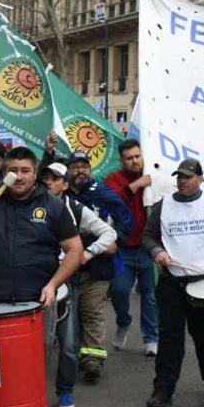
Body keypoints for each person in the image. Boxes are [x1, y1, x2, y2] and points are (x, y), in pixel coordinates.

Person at [0, 147, 83, 402]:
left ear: (35, 175)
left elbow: (75, 250)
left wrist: (54, 284)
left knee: (28, 369)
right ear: (3, 172)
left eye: (25, 171)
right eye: (13, 171)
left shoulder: (52, 207)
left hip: (35, 303)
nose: (18, 177)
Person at [142, 159, 204, 407]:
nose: (182, 181)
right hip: (172, 282)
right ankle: (163, 389)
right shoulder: (163, 206)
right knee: (170, 337)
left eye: (187, 176)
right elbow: (147, 236)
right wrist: (156, 251)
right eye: (179, 177)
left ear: (200, 179)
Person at [41, 162, 117, 407]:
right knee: (36, 343)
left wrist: (87, 253)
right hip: (35, 282)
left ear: (65, 184)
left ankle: (64, 391)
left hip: (67, 282)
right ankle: (31, 390)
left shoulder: (75, 208)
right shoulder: (30, 205)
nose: (49, 182)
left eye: (55, 179)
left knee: (69, 343)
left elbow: (109, 233)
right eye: (46, 178)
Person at [64, 150, 133, 382]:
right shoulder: (59, 197)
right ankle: (71, 356)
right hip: (67, 268)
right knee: (71, 316)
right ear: (68, 171)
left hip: (98, 266)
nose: (80, 171)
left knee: (93, 312)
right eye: (75, 167)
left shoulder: (103, 194)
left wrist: (117, 241)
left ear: (90, 170)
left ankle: (92, 360)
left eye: (85, 166)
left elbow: (126, 220)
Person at [104, 139, 159, 356]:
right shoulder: (113, 179)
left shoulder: (153, 177)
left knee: (150, 295)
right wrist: (136, 186)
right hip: (122, 248)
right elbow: (112, 200)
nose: (134, 161)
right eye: (129, 158)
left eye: (137, 156)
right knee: (118, 291)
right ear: (122, 160)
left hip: (147, 247)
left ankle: (151, 337)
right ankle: (123, 321)